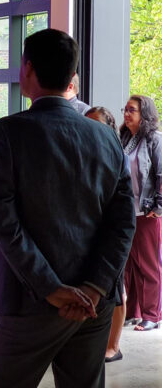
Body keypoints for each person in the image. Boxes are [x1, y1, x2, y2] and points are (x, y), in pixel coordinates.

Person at [0, 29, 135, 388]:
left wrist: (52, 289)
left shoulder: (6, 132)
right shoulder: (106, 137)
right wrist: (94, 288)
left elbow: (5, 223)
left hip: (30, 303)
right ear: (71, 76)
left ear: (27, 69)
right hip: (94, 304)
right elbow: (123, 223)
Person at [85, 106, 126, 361]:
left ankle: (113, 346)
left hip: (112, 231)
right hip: (88, 232)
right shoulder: (81, 153)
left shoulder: (116, 155)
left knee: (116, 287)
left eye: (95, 124)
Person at [119, 94, 162, 332]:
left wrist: (159, 206)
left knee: (148, 265)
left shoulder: (155, 139)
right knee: (128, 265)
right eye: (125, 109)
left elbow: (161, 175)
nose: (126, 114)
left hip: (148, 212)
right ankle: (133, 312)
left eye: (131, 110)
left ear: (144, 114)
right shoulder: (125, 138)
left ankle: (152, 315)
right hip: (128, 210)